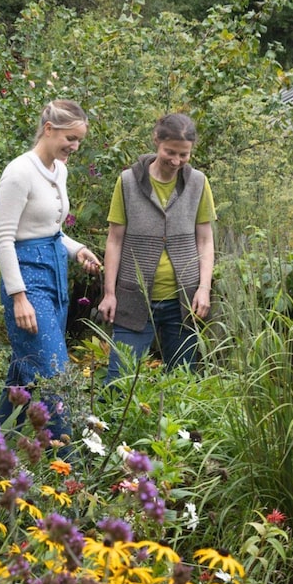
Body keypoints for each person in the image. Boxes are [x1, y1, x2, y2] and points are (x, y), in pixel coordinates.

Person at [0, 98, 101, 442]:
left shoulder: (60, 170)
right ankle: (68, 465)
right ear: (49, 129)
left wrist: (77, 249)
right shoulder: (18, 173)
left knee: (24, 372)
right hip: (27, 281)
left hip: (55, 275)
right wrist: (19, 297)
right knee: (57, 374)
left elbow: (50, 231)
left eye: (79, 140)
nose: (75, 146)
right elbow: (4, 239)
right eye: (70, 138)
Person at [98, 112, 216, 382]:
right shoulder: (128, 182)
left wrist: (204, 289)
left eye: (184, 155)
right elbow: (115, 240)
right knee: (119, 381)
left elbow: (205, 240)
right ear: (156, 141)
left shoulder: (198, 183)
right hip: (134, 298)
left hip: (183, 302)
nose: (176, 161)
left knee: (181, 382)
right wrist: (109, 293)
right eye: (170, 152)